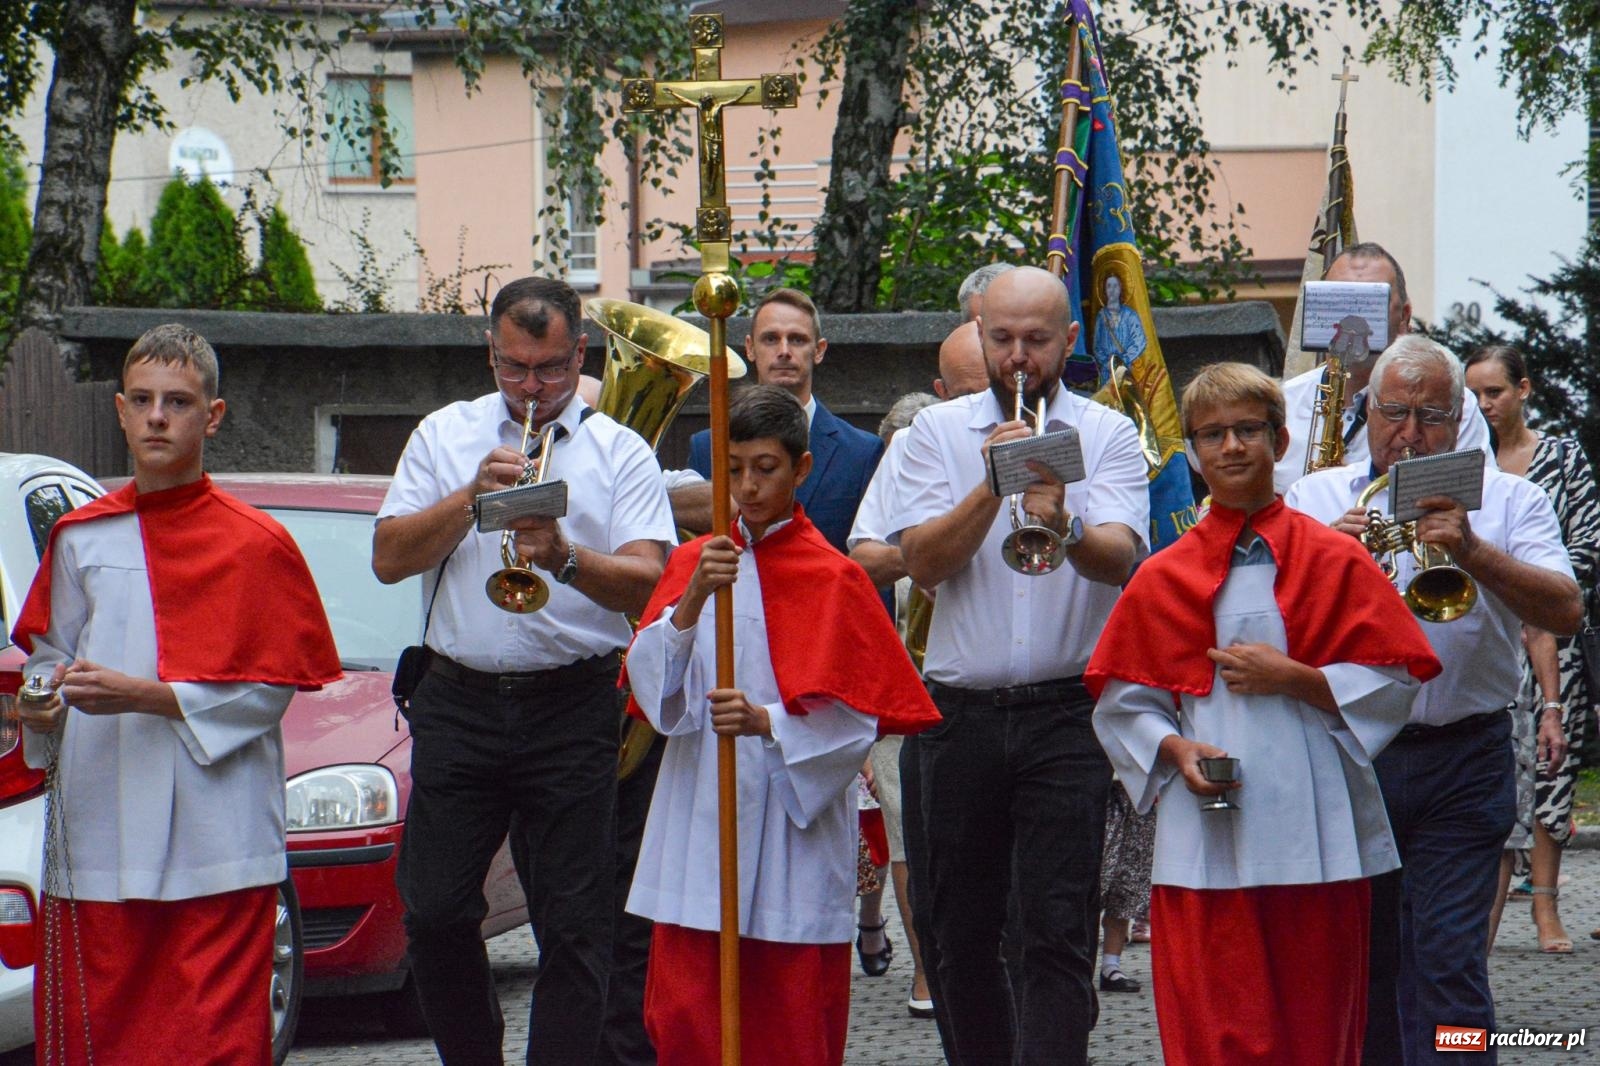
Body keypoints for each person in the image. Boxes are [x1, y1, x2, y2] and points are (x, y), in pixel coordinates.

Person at [1089, 362, 1441, 1064]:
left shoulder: (1337, 559)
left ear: (1280, 441)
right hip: (1204, 841)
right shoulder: (1160, 576)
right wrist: (1175, 750)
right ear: (1193, 452)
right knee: (1215, 1030)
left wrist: (1298, 679)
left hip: (1317, 831)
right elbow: (1125, 702)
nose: (1231, 447)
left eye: (1248, 429)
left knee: (1316, 1028)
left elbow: (1396, 679)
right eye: (1211, 434)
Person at [12, 323, 340, 1063]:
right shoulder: (80, 536)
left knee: (209, 1043)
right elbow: (49, 661)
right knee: (104, 1036)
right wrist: (40, 705)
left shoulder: (257, 544)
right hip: (101, 825)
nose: (157, 417)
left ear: (211, 416)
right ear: (121, 411)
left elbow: (268, 692)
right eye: (142, 400)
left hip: (217, 833)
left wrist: (147, 695)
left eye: (178, 402)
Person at [372, 276, 676, 1065]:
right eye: (513, 367)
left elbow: (650, 582)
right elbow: (388, 558)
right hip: (459, 700)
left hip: (574, 704)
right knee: (434, 912)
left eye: (549, 369)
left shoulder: (620, 449)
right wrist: (469, 500)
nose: (531, 388)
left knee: (576, 927)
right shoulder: (445, 434)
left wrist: (566, 558)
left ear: (581, 353)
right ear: (490, 353)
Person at [1285, 334, 1583, 1066]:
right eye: (1394, 413)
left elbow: (1567, 609)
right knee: (1368, 963)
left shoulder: (1511, 498)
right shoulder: (1317, 498)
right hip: (1352, 756)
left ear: (1460, 420)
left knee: (1449, 961)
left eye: (1432, 416)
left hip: (1464, 756)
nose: (1411, 433)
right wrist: (1325, 559)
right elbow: (1268, 628)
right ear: (1367, 412)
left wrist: (1473, 552)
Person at [622, 384, 940, 1066]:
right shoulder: (692, 566)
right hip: (699, 818)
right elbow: (652, 696)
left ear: (800, 470)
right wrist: (690, 603)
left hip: (791, 830)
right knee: (687, 1017)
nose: (747, 487)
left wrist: (768, 721)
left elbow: (856, 722)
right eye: (734, 470)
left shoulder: (834, 578)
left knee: (788, 1022)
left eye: (765, 469)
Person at [891, 265, 1150, 1065]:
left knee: (1056, 927)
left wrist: (1063, 521)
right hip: (959, 713)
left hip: (1066, 714)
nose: (1016, 358)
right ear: (978, 334)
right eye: (1000, 338)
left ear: (1068, 341)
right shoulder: (935, 433)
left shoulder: (1108, 432)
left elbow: (1124, 561)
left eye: (1035, 340)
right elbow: (919, 563)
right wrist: (989, 487)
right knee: (958, 930)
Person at [1466, 344, 1600, 955]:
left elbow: (1588, 545)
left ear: (1523, 390)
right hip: (1481, 631)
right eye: (1474, 395)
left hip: (1552, 636)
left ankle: (1546, 906)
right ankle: (1481, 915)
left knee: (1551, 770)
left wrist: (1531, 589)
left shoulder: (1562, 457)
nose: (1484, 404)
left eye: (1494, 392)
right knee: (1492, 765)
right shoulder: (1464, 462)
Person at [1275, 242, 1495, 492]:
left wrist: (1351, 489)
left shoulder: (1448, 402)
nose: (1352, 317)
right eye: (1337, 301)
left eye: (1370, 303)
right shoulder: (1283, 402)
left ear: (1404, 316)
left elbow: (1479, 498)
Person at [687, 288, 884, 553]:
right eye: (770, 339)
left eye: (797, 340)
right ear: (750, 348)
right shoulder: (707, 446)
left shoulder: (862, 452)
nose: (784, 351)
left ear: (819, 350)